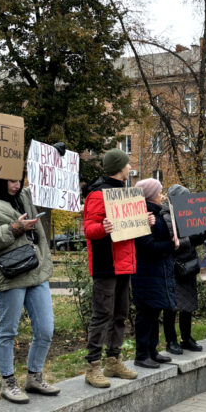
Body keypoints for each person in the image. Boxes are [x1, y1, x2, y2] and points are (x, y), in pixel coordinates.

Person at [0, 175, 60, 403]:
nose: (16, 185)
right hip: (11, 275)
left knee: (45, 329)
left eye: (19, 180)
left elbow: (46, 179)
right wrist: (14, 228)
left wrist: (53, 154)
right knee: (8, 331)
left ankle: (34, 376)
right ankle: (8, 382)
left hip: (37, 270)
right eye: (11, 181)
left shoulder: (24, 196)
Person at [81, 149, 142, 388]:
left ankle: (114, 360)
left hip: (124, 264)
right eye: (127, 165)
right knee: (102, 315)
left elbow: (130, 229)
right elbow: (88, 229)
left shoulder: (124, 193)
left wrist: (144, 221)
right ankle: (93, 365)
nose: (130, 168)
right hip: (106, 263)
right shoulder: (97, 194)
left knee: (121, 314)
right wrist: (103, 228)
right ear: (119, 167)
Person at [131, 179, 176, 369]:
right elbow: (147, 246)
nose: (162, 195)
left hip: (156, 271)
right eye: (159, 192)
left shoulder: (155, 214)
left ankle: (152, 351)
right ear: (150, 195)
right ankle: (142, 355)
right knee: (146, 314)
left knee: (154, 311)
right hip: (146, 272)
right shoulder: (143, 215)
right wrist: (171, 245)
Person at [160, 184, 205, 353]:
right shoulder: (166, 216)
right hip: (175, 266)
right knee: (171, 306)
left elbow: (194, 239)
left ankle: (187, 338)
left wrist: (203, 233)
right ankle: (171, 341)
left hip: (188, 265)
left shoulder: (187, 214)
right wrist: (192, 239)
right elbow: (174, 242)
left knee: (189, 305)